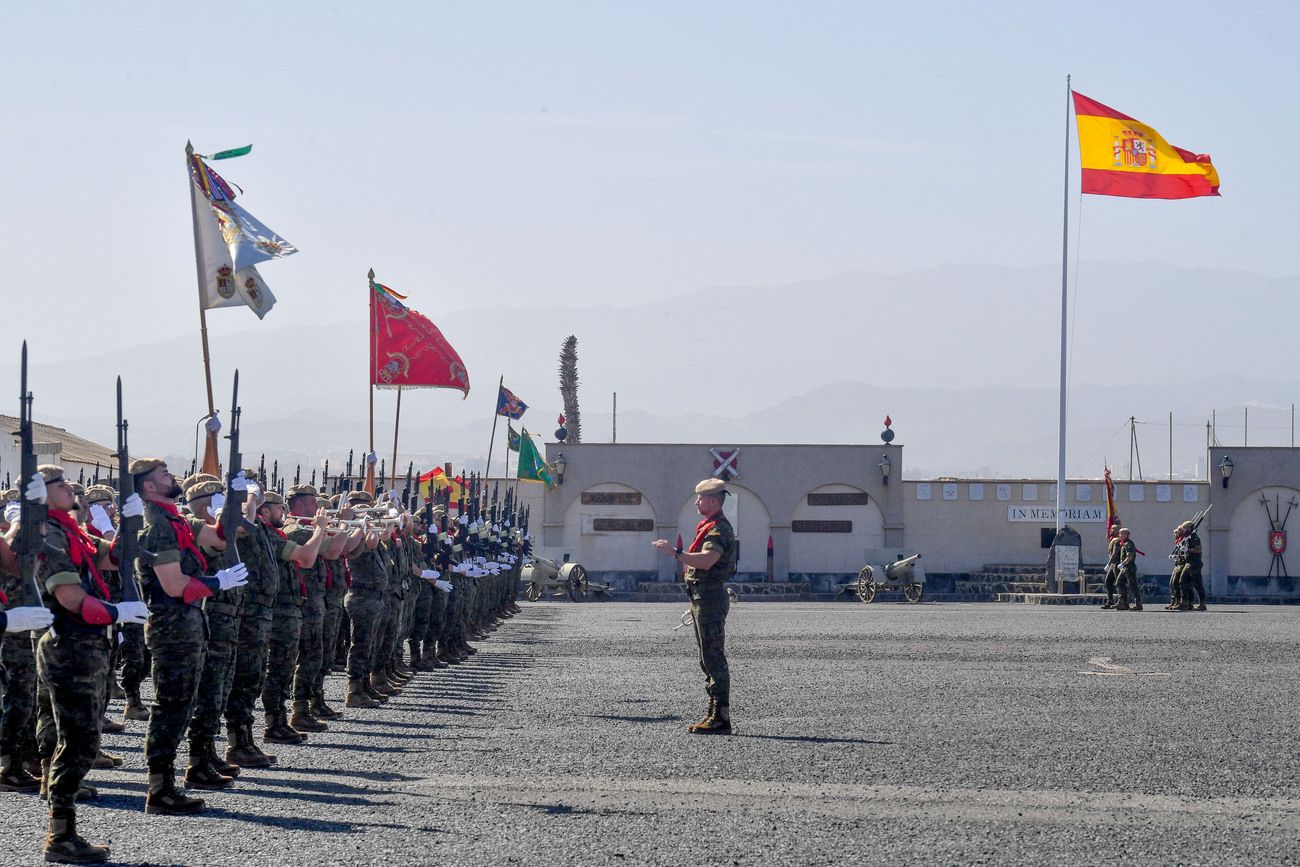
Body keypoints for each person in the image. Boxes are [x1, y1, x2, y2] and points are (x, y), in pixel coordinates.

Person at [28, 465, 148, 862]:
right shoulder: (50, 535)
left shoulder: (70, 530)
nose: (68, 488)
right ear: (41, 494)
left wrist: (131, 522)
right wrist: (117, 612)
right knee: (77, 742)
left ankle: (63, 832)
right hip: (70, 645)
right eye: (59, 484)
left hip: (87, 646)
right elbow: (72, 599)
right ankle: (59, 835)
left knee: (84, 739)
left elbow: (111, 558)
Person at [133, 458, 247, 815]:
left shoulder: (177, 521)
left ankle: (183, 774)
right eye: (163, 476)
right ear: (149, 487)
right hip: (172, 627)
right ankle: (160, 788)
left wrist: (235, 498)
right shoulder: (159, 527)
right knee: (170, 706)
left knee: (184, 705)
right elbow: (174, 584)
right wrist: (218, 582)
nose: (172, 478)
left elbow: (222, 535)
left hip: (189, 625)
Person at [652, 478, 738, 735]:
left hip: (709, 597)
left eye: (700, 499)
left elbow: (708, 560)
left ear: (711, 500)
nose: (697, 503)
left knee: (713, 658)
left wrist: (675, 553)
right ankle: (714, 713)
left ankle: (721, 717)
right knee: (707, 658)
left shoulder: (719, 529)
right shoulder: (709, 526)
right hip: (702, 597)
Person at [1172, 520, 1208, 612]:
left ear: (1189, 528)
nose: (1183, 530)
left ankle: (1202, 604)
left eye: (1184, 528)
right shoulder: (1187, 538)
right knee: (1182, 582)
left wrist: (1188, 550)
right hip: (1188, 564)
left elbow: (1198, 550)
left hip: (1194, 564)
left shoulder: (1194, 538)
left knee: (1197, 584)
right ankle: (1185, 603)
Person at [1114, 528, 1141, 611]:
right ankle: (1123, 603)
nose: (1119, 536)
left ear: (1126, 534)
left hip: (1129, 567)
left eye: (1121, 534)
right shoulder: (1124, 543)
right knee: (1119, 583)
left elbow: (1130, 556)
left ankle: (1138, 604)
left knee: (1133, 586)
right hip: (1125, 568)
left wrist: (1123, 563)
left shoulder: (1128, 544)